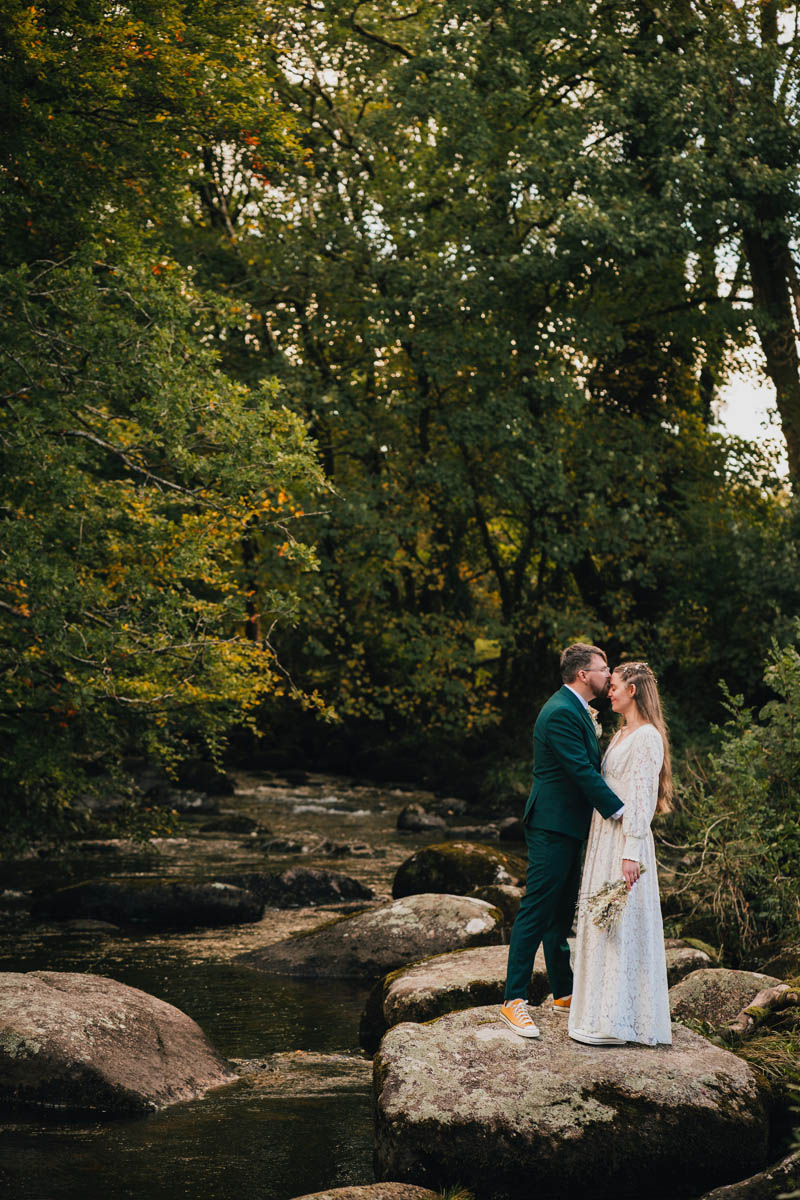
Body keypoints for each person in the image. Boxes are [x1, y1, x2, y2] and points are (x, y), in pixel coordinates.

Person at [500, 643, 624, 1038]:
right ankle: (512, 1000)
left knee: (559, 915)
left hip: (568, 825)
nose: (609, 675)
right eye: (604, 669)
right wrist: (620, 811)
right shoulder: (559, 713)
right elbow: (580, 771)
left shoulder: (576, 709)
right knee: (536, 909)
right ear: (584, 675)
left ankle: (564, 992)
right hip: (552, 826)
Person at [568, 661, 673, 1046]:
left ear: (634, 691)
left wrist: (632, 849)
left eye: (615, 686)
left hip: (626, 840)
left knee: (620, 923)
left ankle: (620, 1020)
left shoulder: (647, 738)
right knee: (600, 919)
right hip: (604, 837)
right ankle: (598, 1012)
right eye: (609, 685)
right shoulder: (619, 734)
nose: (608, 691)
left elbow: (642, 799)